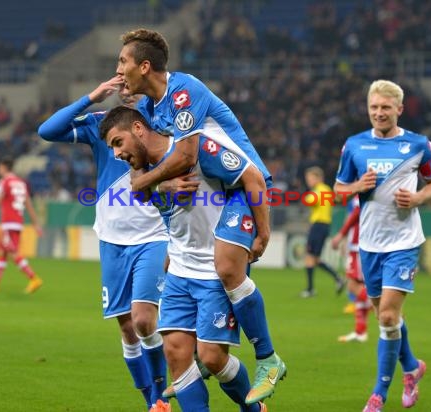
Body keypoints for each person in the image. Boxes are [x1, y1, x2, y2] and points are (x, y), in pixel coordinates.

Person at [116, 28, 286, 404]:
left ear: (145, 66)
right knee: (185, 349)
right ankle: (207, 360)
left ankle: (268, 358)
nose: (119, 69)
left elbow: (187, 157)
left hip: (243, 184)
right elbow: (137, 169)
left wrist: (264, 232)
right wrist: (153, 185)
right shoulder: (146, 109)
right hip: (218, 197)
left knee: (226, 266)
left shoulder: (184, 90)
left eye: (123, 62)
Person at [99, 105, 269, 412]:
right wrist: (161, 184)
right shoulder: (143, 174)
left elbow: (254, 177)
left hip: (214, 269)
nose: (116, 154)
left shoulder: (195, 146)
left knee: (212, 358)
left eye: (118, 142)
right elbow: (139, 190)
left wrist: (261, 234)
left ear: (139, 129)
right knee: (176, 356)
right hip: (178, 269)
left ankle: (254, 409)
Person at [37, 78, 169, 411]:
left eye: (132, 81)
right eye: (121, 81)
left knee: (143, 320)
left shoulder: (161, 122)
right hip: (111, 240)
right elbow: (47, 131)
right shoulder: (101, 126)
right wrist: (91, 98)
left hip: (153, 237)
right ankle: (152, 402)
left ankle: (161, 398)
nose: (128, 88)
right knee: (126, 328)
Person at [334, 79, 431, 411]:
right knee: (389, 317)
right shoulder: (353, 145)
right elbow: (338, 189)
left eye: (385, 107)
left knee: (386, 317)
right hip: (369, 244)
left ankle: (378, 394)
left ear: (399, 109)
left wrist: (418, 197)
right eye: (374, 108)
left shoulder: (417, 145)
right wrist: (356, 185)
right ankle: (412, 368)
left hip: (404, 242)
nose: (379, 113)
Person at [0, 157, 43, 294]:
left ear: (3, 167)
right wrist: (36, 224)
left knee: (13, 252)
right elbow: (29, 204)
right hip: (18, 222)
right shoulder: (21, 183)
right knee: (3, 252)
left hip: (8, 222)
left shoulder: (4, 182)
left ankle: (34, 278)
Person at [331, 195, 371, 343]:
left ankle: (387, 309)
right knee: (358, 285)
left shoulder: (360, 192)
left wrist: (341, 235)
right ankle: (360, 332)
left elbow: (355, 214)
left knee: (353, 286)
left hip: (359, 245)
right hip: (361, 244)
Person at [300, 166, 345, 298]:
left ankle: (310, 289)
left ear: (318, 178)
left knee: (309, 257)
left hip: (318, 225)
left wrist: (308, 195)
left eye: (310, 178)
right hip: (324, 226)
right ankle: (338, 278)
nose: (308, 181)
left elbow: (309, 201)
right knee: (314, 258)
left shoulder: (319, 190)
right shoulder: (327, 190)